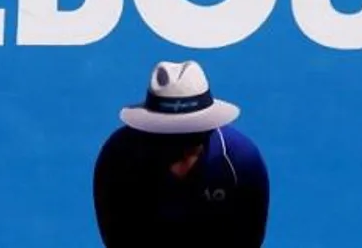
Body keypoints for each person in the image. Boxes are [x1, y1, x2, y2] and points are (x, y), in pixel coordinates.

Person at [92, 59, 270, 248]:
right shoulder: (119, 156)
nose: (179, 143)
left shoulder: (241, 159)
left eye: (191, 133)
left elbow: (250, 237)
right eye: (167, 135)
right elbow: (115, 235)